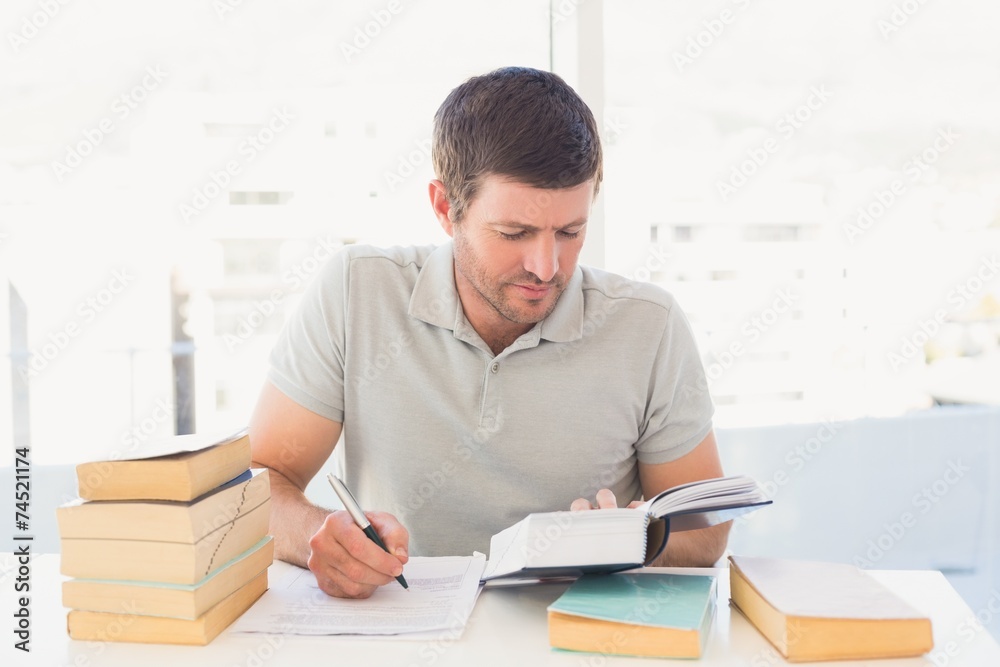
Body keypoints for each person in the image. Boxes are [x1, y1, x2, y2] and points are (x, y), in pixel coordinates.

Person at [249, 66, 729, 599]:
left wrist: (637, 539)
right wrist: (318, 533)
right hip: (400, 625)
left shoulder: (649, 325)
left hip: (572, 636)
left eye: (570, 232)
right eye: (514, 233)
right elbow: (260, 483)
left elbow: (704, 532)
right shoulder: (355, 291)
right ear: (443, 207)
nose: (546, 267)